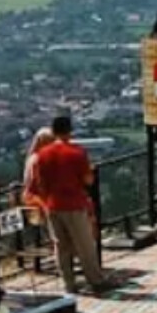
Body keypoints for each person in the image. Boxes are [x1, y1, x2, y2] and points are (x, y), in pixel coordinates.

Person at [31, 115, 109, 294]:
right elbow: (88, 180)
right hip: (73, 203)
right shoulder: (76, 152)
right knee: (84, 245)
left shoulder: (42, 155)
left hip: (52, 205)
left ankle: (69, 284)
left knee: (61, 246)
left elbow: (39, 183)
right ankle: (95, 280)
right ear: (69, 131)